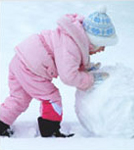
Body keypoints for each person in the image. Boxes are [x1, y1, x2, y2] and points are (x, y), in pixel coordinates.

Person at [0, 7, 118, 137]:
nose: (103, 50)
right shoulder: (71, 46)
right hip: (31, 69)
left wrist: (86, 69)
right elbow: (69, 76)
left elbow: (69, 61)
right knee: (52, 98)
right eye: (102, 45)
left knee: (18, 99)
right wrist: (91, 80)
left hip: (19, 61)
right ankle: (49, 130)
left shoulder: (72, 37)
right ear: (93, 41)